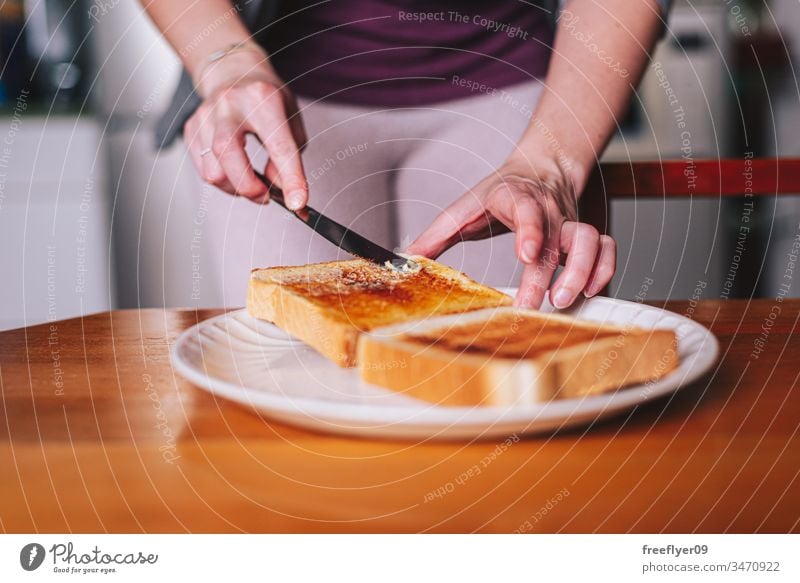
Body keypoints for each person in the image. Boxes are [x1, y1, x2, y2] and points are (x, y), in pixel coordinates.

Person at [144, 0, 668, 308]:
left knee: (508, 382)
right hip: (285, 93)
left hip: (520, 91)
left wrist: (548, 160)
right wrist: (224, 61)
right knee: (280, 379)